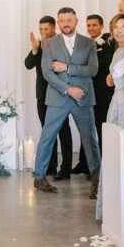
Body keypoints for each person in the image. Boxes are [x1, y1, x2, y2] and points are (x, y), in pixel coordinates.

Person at [31, 7, 101, 200]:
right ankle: (39, 177)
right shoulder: (50, 44)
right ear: (58, 22)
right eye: (62, 21)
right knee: (47, 137)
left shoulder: (88, 43)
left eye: (69, 20)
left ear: (76, 20)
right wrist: (67, 88)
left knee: (90, 139)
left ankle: (97, 181)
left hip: (83, 97)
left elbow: (93, 69)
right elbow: (47, 72)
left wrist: (67, 67)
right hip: (58, 97)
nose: (66, 24)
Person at [24, 16, 70, 176]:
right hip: (42, 94)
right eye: (40, 29)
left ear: (53, 28)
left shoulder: (61, 42)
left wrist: (47, 49)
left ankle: (65, 169)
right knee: (47, 131)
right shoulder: (39, 45)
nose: (43, 32)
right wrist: (36, 50)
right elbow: (28, 64)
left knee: (63, 130)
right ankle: (50, 167)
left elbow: (61, 67)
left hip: (59, 93)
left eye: (46, 29)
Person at [75, 14, 115, 177]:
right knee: (86, 127)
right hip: (86, 91)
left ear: (102, 26)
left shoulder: (108, 42)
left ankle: (101, 165)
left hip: (102, 92)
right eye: (88, 25)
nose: (91, 28)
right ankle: (84, 162)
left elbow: (105, 65)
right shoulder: (84, 44)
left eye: (94, 25)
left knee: (100, 127)